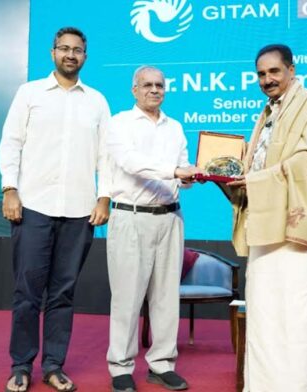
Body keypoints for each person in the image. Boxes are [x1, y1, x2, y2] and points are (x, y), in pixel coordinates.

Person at [225, 44, 307, 392]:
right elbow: (259, 162)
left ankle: (298, 386)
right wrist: (230, 175)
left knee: (294, 316)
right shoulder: (267, 112)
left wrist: (255, 180)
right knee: (263, 315)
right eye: (261, 74)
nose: (267, 80)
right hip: (264, 224)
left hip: (294, 229)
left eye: (274, 72)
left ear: (292, 70)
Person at [0, 26, 111, 392]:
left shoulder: (97, 101)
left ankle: (53, 365)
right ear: (52, 53)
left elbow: (105, 156)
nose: (70, 55)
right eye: (64, 48)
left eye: (77, 50)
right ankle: (21, 365)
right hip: (33, 206)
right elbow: (10, 144)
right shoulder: (29, 93)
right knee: (27, 291)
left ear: (85, 56)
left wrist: (104, 196)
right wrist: (10, 189)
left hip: (80, 210)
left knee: (63, 293)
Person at [105, 65, 201, 392]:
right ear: (134, 90)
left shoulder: (175, 127)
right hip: (131, 217)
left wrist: (190, 177)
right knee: (127, 297)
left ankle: (162, 364)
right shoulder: (119, 124)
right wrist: (175, 171)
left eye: (159, 85)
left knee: (165, 297)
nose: (154, 90)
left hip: (171, 218)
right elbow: (132, 164)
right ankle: (120, 367)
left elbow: (182, 172)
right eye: (147, 85)